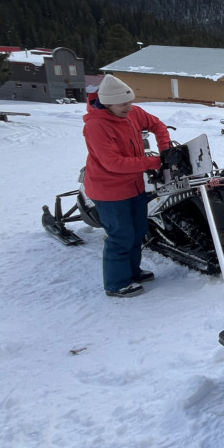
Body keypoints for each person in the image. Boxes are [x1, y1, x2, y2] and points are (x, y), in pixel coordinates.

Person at [83, 75, 172, 298]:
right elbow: (113, 163)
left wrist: (166, 151)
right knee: (120, 236)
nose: (128, 107)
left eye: (130, 102)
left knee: (138, 231)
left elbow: (158, 125)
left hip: (134, 186)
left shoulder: (133, 113)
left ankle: (132, 272)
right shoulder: (96, 126)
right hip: (109, 191)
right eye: (123, 104)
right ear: (107, 102)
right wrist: (155, 161)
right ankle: (116, 283)